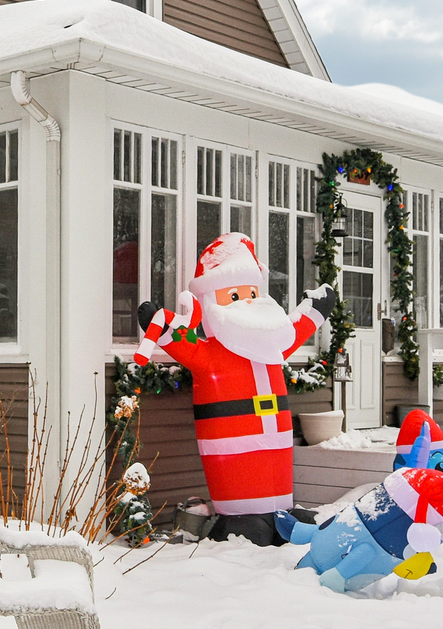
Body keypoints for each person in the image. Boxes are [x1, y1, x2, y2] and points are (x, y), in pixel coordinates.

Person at [134, 232, 335, 544]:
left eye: (252, 292)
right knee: (246, 505)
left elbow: (292, 332)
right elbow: (185, 344)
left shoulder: (270, 344)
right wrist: (159, 326)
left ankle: (280, 511)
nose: (248, 302)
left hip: (276, 438)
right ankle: (240, 516)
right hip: (231, 442)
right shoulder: (212, 355)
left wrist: (315, 310)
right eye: (235, 296)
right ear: (212, 303)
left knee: (277, 481)